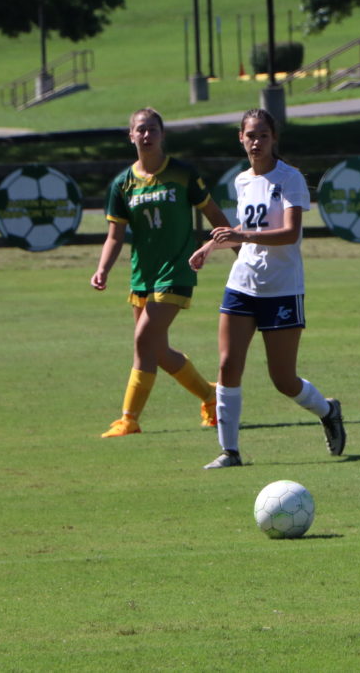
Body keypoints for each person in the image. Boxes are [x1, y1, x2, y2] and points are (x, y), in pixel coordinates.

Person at [189, 108, 345, 469]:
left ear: (274, 139)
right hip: (242, 284)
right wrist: (210, 246)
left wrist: (241, 235)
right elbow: (245, 230)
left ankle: (327, 411)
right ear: (240, 139)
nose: (256, 142)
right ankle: (230, 451)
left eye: (263, 135)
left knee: (283, 379)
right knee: (228, 364)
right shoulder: (242, 180)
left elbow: (289, 233)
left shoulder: (290, 178)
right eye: (250, 135)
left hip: (282, 289)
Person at [91, 107, 231, 438]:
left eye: (152, 129)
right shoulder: (122, 184)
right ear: (131, 136)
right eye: (140, 129)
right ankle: (211, 397)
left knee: (143, 340)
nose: (147, 135)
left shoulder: (182, 173)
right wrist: (102, 269)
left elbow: (213, 214)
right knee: (156, 350)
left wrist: (239, 249)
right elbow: (115, 236)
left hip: (177, 270)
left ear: (162, 134)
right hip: (142, 274)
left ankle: (129, 420)